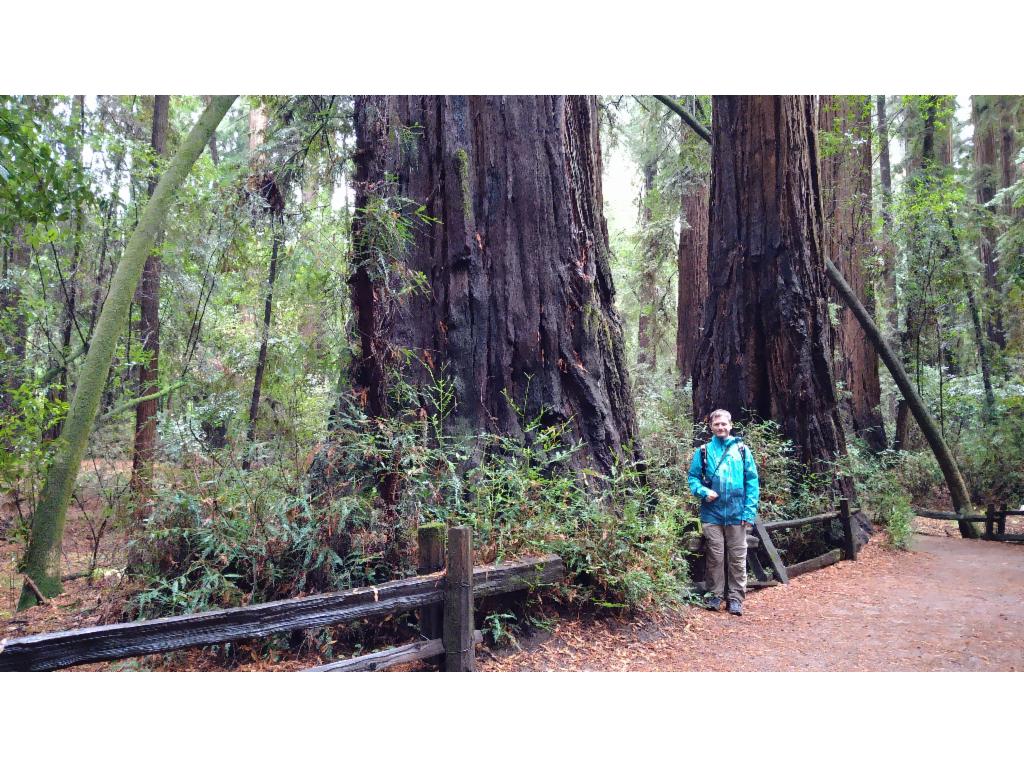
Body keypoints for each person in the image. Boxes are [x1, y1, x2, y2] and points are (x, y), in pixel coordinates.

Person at [687, 409, 760, 616]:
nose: (720, 427)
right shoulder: (703, 452)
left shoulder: (743, 451)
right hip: (712, 514)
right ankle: (714, 595)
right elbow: (693, 478)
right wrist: (703, 491)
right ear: (710, 426)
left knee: (738, 557)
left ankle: (736, 598)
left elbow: (752, 483)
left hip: (737, 514)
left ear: (730, 425)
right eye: (716, 424)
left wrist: (749, 512)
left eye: (724, 424)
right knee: (715, 557)